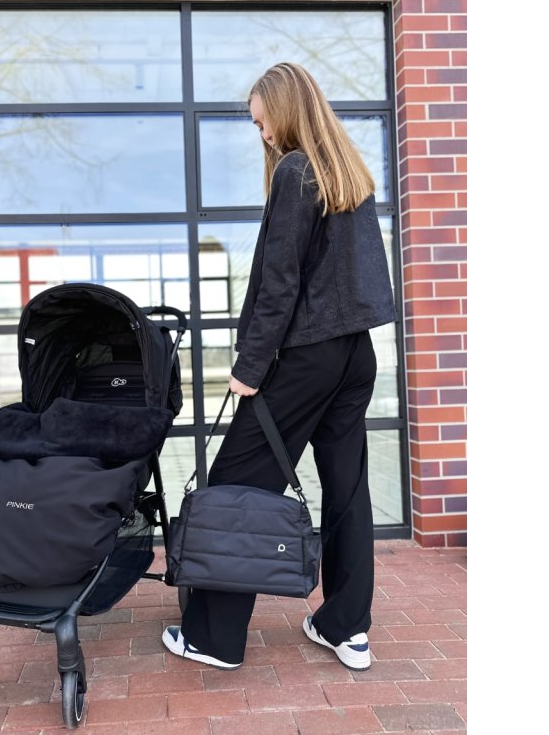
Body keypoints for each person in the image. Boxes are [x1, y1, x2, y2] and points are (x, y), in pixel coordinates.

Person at [161, 62, 397, 671]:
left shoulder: (296, 171)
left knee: (235, 480)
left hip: (303, 357)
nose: (263, 134)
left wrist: (250, 365)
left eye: (264, 122)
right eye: (256, 126)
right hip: (355, 355)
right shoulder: (347, 172)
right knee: (347, 491)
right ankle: (346, 627)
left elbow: (280, 284)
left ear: (287, 111)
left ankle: (212, 638)